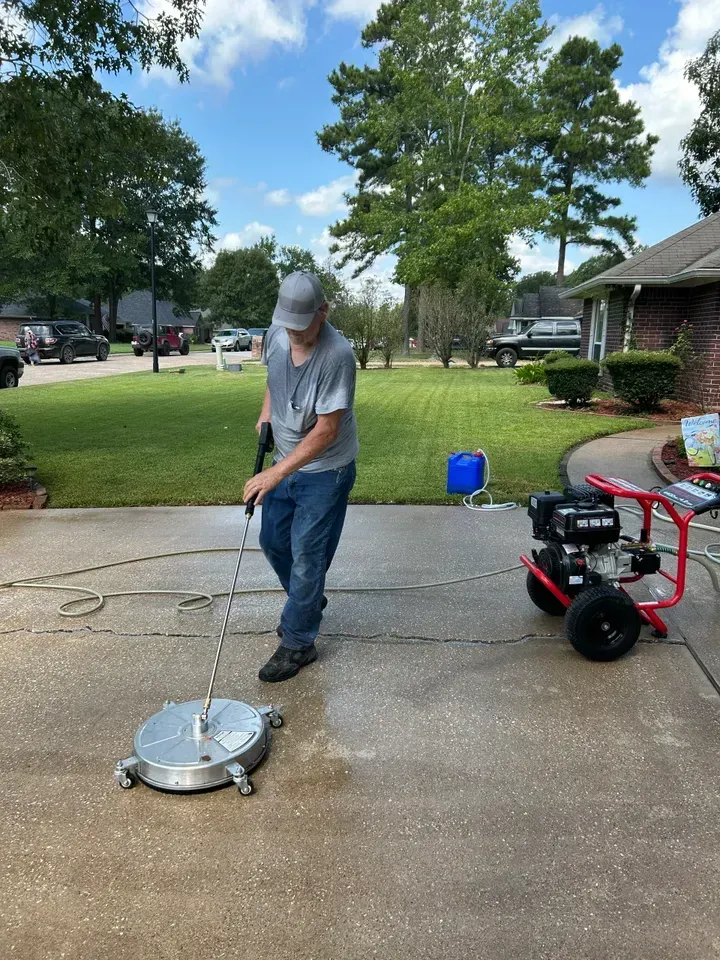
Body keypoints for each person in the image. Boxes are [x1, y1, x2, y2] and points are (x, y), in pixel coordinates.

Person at [243, 271, 358, 683]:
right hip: (285, 460)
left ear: (322, 313)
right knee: (272, 541)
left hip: (325, 469)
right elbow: (274, 380)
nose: (293, 334)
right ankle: (308, 602)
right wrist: (266, 414)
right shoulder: (279, 333)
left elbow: (326, 431)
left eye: (302, 326)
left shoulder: (337, 355)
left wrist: (275, 473)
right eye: (287, 326)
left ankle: (298, 641)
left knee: (308, 557)